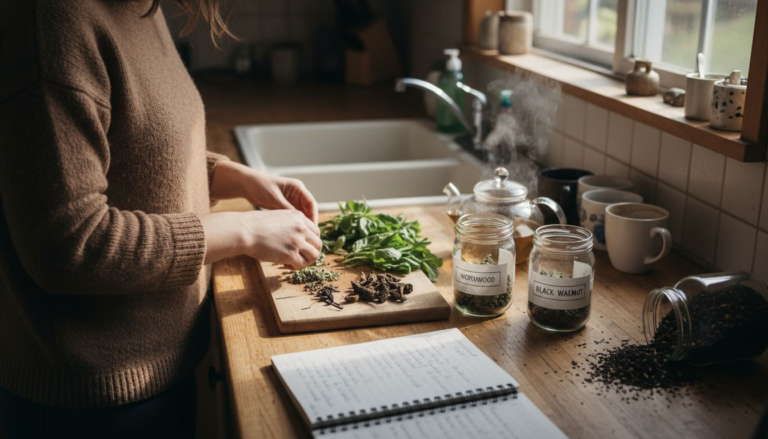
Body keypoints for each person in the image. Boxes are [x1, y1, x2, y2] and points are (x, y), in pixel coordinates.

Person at [0, 0, 320, 436]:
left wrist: (235, 178)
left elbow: (132, 149)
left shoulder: (138, 6)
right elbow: (71, 245)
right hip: (92, 404)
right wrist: (244, 229)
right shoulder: (50, 20)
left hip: (163, 368)